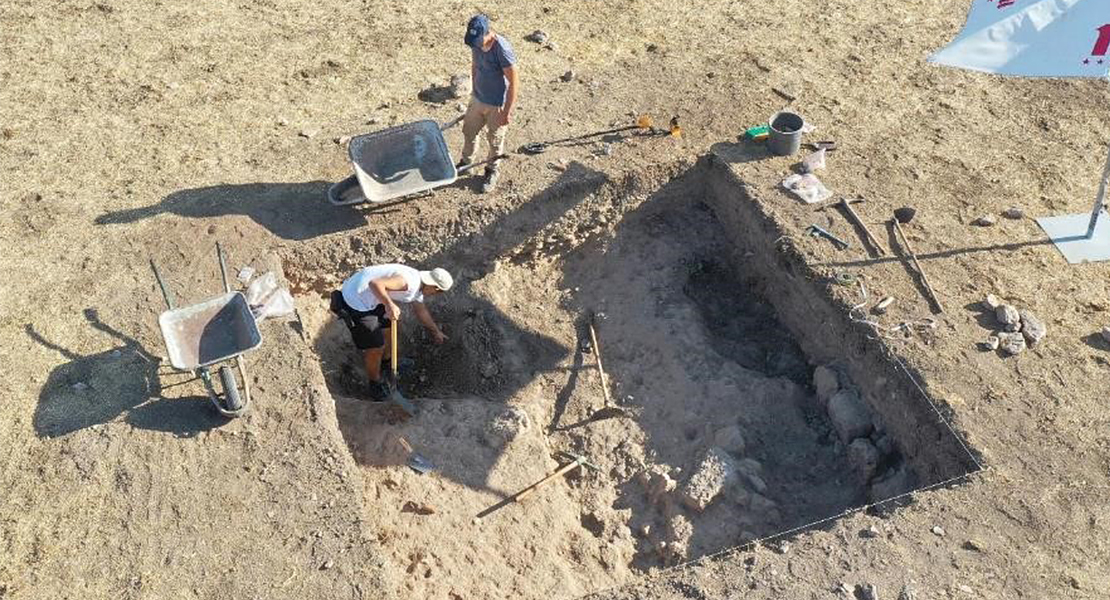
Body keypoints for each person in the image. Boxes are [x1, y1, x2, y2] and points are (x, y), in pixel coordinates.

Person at [330, 264, 453, 401]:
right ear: (434, 286)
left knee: (390, 329)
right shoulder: (409, 282)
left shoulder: (419, 287)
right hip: (357, 300)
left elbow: (421, 311)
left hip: (373, 297)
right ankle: (374, 383)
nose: (434, 295)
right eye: (437, 292)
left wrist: (436, 331)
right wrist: (389, 305)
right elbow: (375, 283)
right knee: (376, 347)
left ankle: (387, 363)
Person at [458, 13, 518, 193]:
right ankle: (466, 162)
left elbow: (514, 83)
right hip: (478, 98)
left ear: (487, 34)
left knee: (495, 140)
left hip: (496, 104)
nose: (474, 45)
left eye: (477, 40)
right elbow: (475, 64)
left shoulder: (502, 50)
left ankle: (492, 170)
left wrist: (506, 112)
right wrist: (474, 89)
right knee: (469, 131)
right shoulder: (476, 43)